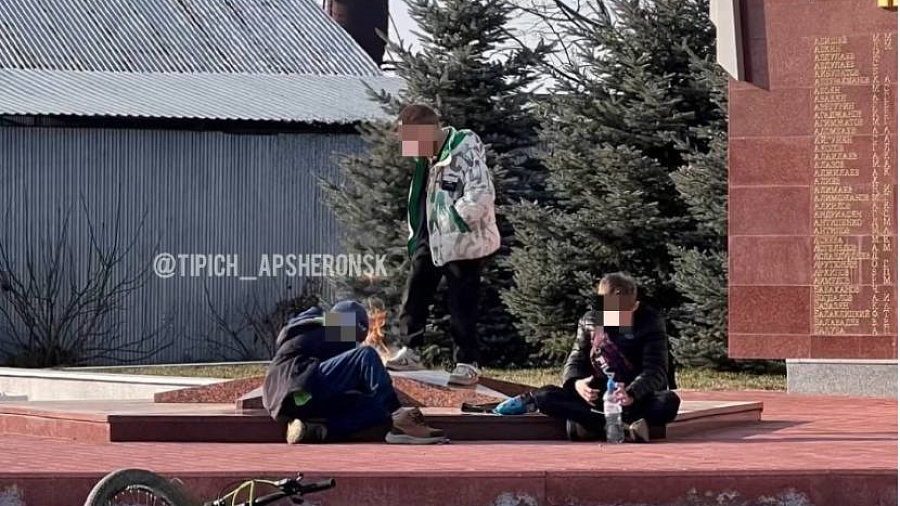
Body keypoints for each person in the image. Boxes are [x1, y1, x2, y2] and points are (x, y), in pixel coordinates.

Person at [384, 104, 500, 386]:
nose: (408, 149)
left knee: (462, 301)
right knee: (416, 290)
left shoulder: (464, 151)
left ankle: (466, 362)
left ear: (428, 132)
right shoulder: (427, 158)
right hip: (432, 237)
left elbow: (482, 192)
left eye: (410, 141)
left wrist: (458, 219)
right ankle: (410, 349)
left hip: (463, 241)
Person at [493, 272, 680, 442]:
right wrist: (577, 384)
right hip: (596, 397)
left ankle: (590, 426)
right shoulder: (590, 320)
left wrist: (631, 394)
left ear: (634, 305)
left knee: (667, 402)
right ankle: (621, 427)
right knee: (544, 396)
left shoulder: (651, 321)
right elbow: (575, 360)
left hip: (632, 398)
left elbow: (656, 371)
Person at [262, 300, 447, 445]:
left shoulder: (315, 332)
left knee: (378, 407)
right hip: (296, 388)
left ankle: (315, 430)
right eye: (356, 337)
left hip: (298, 400)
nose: (354, 342)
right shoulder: (323, 326)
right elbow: (359, 362)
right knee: (366, 355)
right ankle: (400, 417)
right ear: (348, 322)